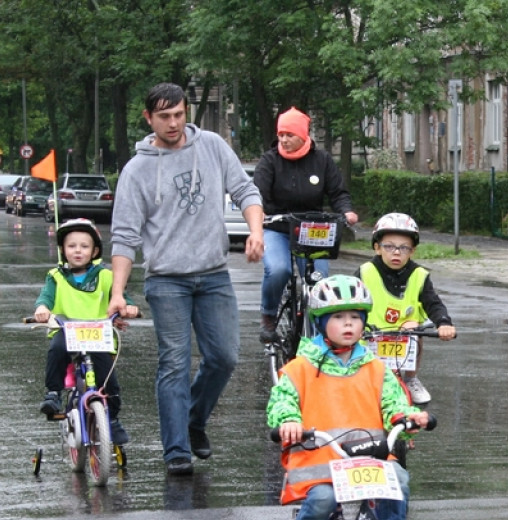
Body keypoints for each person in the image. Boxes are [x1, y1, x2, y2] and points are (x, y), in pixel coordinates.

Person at [108, 82, 265, 476]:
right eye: (164, 116)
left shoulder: (211, 146)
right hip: (167, 281)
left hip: (213, 274)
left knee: (224, 357)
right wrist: (117, 292)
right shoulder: (137, 170)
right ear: (149, 118)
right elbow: (125, 236)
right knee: (174, 364)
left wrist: (256, 232)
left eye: (179, 114)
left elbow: (245, 190)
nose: (173, 123)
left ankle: (194, 420)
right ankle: (176, 449)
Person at [267, 275, 431, 520]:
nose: (348, 324)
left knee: (398, 480)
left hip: (369, 454)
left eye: (355, 317)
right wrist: (288, 421)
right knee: (323, 498)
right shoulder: (299, 368)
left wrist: (407, 417)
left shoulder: (375, 368)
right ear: (320, 322)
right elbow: (282, 401)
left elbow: (393, 402)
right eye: (339, 317)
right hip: (320, 458)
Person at [253, 106, 358, 343]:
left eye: (289, 135)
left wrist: (347, 211)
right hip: (277, 227)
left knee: (319, 278)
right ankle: (268, 317)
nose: (284, 139)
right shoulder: (270, 161)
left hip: (313, 230)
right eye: (281, 134)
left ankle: (319, 330)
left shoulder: (322, 160)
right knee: (279, 270)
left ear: (303, 135)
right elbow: (256, 194)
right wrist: (258, 214)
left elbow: (338, 192)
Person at [34, 219, 139, 444]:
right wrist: (42, 309)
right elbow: (45, 298)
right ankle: (53, 392)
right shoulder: (56, 276)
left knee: (109, 379)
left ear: (95, 251)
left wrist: (128, 307)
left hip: (98, 335)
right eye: (72, 246)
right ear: (63, 250)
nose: (78, 251)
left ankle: (111, 419)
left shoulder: (105, 276)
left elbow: (120, 298)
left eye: (84, 246)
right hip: (67, 330)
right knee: (57, 349)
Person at [356, 212, 457, 404]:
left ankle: (410, 378)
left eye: (404, 248)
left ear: (413, 251)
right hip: (368, 336)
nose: (396, 252)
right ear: (377, 248)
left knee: (413, 328)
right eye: (389, 246)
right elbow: (349, 301)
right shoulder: (365, 272)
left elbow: (433, 302)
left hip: (404, 335)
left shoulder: (419, 275)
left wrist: (444, 323)